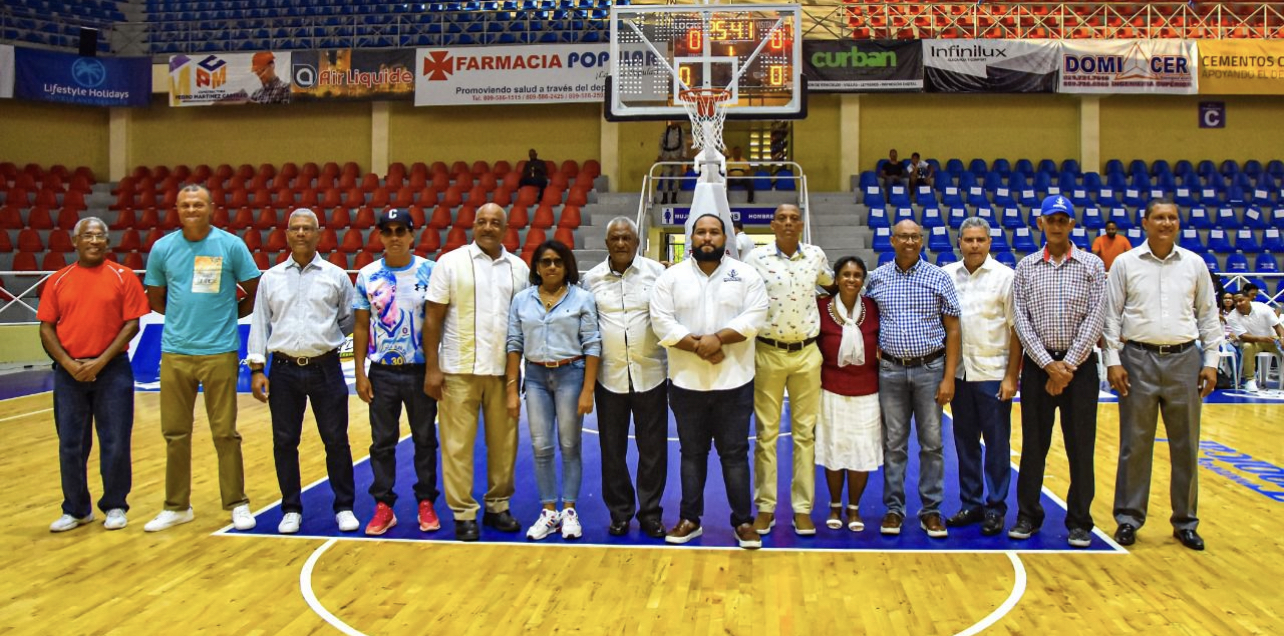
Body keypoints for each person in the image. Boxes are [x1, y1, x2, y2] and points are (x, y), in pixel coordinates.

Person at [1103, 199, 1223, 552]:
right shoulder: (1125, 263)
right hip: (1137, 358)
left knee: (1186, 445)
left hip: (1185, 359)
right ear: (1145, 223)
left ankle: (1185, 522)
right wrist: (1113, 360)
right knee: (1134, 445)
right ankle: (1128, 519)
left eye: (1172, 217)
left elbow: (1208, 316)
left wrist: (1211, 361)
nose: (1166, 223)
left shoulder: (1194, 264)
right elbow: (1111, 317)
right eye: (1159, 217)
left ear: (1178, 224)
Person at [142, 185, 260, 533]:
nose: (192, 209)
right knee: (175, 433)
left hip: (220, 351)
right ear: (177, 209)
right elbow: (156, 297)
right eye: (185, 205)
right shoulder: (162, 248)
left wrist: (228, 316)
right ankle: (176, 506)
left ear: (211, 208)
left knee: (225, 432)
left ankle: (237, 503)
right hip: (176, 353)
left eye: (198, 204)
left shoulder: (230, 245)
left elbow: (255, 291)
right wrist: (183, 321)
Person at [650, 213, 768, 549]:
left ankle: (743, 522)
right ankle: (690, 519)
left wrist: (716, 339)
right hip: (687, 383)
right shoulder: (670, 278)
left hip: (735, 382)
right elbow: (662, 322)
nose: (707, 237)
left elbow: (754, 317)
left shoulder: (746, 275)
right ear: (690, 238)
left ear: (725, 238)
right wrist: (702, 346)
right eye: (700, 232)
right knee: (692, 453)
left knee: (734, 454)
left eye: (714, 232)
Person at [247, 208, 359, 534]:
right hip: (282, 369)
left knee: (336, 440)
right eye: (295, 228)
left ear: (318, 233)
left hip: (326, 367)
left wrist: (326, 338)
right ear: (286, 234)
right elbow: (260, 324)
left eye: (307, 228)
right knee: (284, 442)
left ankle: (344, 507)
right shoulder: (271, 278)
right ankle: (291, 508)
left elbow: (348, 320)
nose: (300, 233)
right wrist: (257, 368)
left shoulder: (337, 276)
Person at [424, 203, 530, 541]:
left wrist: (518, 374)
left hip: (503, 372)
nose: (488, 227)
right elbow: (433, 319)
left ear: (505, 227)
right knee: (457, 446)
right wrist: (432, 368)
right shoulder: (449, 263)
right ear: (472, 225)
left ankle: (498, 506)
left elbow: (521, 324)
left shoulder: (519, 268)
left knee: (504, 445)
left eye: (495, 222)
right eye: (482, 221)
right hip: (457, 369)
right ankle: (463, 513)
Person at [39, 217, 149, 533]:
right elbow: (46, 326)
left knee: (114, 441)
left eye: (100, 235)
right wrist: (69, 364)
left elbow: (132, 324)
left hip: (113, 371)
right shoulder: (58, 280)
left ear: (107, 242)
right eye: (87, 235)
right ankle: (75, 509)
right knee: (71, 443)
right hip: (68, 373)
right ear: (75, 241)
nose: (94, 240)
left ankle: (115, 505)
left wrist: (100, 361)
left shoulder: (123, 276)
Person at [1010, 195, 1106, 548]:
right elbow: (1021, 320)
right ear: (1040, 223)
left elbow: (1097, 318)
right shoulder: (1026, 267)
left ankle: (1080, 521)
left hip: (1079, 369)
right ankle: (1027, 515)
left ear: (1071, 224)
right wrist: (1049, 365)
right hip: (1038, 368)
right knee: (1034, 446)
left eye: (1063, 219)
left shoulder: (1092, 266)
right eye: (1051, 219)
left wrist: (1067, 366)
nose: (1056, 225)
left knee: (1081, 447)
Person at [863, 219, 960, 539]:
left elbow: (953, 329)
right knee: (894, 444)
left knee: (932, 443)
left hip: (930, 370)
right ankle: (894, 509)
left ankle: (931, 510)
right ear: (892, 241)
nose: (909, 241)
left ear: (922, 241)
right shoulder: (875, 279)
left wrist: (949, 377)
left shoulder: (939, 277)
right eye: (903, 237)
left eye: (915, 237)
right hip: (889, 371)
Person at [743, 204, 834, 536]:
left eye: (794, 218)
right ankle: (765, 507)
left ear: (801, 224)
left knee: (805, 435)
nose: (788, 223)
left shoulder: (815, 256)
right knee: (766, 436)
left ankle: (802, 508)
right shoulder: (756, 260)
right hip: (768, 352)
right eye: (781, 218)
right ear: (772, 224)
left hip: (808, 354)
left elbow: (833, 286)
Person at [352, 208, 441, 536]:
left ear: (412, 235)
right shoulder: (367, 275)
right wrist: (361, 373)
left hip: (420, 372)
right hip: (382, 373)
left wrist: (435, 368)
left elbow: (437, 322)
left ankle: (426, 502)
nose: (394, 237)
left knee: (424, 440)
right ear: (380, 236)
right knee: (382, 442)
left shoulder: (430, 272)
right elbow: (361, 327)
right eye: (387, 231)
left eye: (400, 231)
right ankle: (383, 505)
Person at [506, 240, 601, 541]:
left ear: (566, 266)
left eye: (557, 261)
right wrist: (511, 388)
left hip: (571, 375)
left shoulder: (583, 298)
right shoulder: (522, 300)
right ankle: (548, 511)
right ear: (536, 267)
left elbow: (593, 344)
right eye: (545, 261)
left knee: (570, 444)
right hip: (534, 377)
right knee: (540, 446)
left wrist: (588, 389)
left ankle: (569, 510)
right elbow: (514, 343)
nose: (551, 267)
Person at [581, 217, 669, 539]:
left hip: (651, 375)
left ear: (637, 241)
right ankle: (619, 512)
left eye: (627, 237)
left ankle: (650, 513)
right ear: (607, 243)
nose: (621, 243)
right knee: (612, 451)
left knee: (653, 450)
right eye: (615, 238)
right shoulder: (590, 280)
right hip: (609, 378)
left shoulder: (657, 274)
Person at [941, 218, 1021, 536]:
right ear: (959, 242)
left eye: (980, 240)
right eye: (969, 239)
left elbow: (1016, 331)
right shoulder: (946, 276)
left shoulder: (1006, 278)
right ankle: (971, 503)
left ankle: (996, 506)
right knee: (965, 444)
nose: (974, 245)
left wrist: (1011, 376)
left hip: (993, 374)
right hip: (960, 374)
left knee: (998, 444)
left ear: (990, 242)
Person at [815, 256, 881, 533]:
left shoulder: (874, 307)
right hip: (829, 389)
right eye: (845, 274)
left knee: (861, 452)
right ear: (837, 279)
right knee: (834, 449)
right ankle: (833, 505)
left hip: (868, 391)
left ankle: (853, 507)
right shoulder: (820, 307)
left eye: (856, 275)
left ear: (863, 280)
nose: (851, 279)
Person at [1227, 290, 1284, 393]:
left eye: (1241, 300)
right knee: (1247, 346)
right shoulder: (1232, 316)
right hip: (1253, 341)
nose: (1238, 304)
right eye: (1235, 302)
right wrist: (1261, 338)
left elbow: (1277, 326)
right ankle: (1250, 380)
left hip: (1271, 339)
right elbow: (1243, 336)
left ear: (1248, 299)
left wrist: (1282, 338)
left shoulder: (1262, 307)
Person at [657, 121, 686, 205]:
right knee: (665, 178)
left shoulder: (681, 132)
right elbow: (661, 144)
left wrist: (683, 155)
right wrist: (660, 155)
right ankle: (665, 197)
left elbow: (684, 144)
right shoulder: (666, 130)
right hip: (667, 157)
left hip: (676, 157)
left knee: (676, 178)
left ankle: (674, 198)